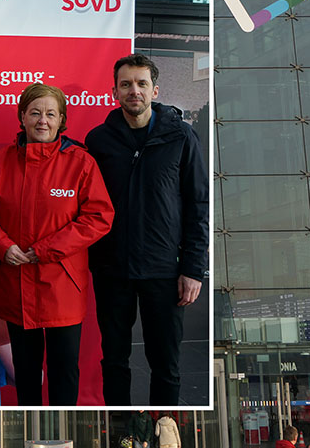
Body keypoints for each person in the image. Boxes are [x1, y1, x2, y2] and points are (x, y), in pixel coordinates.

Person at [0, 83, 113, 405]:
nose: (42, 121)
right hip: (15, 286)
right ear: (22, 116)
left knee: (64, 371)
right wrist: (3, 246)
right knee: (26, 371)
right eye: (35, 113)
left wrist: (46, 249)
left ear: (61, 119)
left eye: (51, 114)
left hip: (62, 287)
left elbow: (99, 216)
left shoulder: (80, 163)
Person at [85, 53, 208, 405]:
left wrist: (192, 268)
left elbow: (198, 205)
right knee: (114, 361)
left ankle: (164, 428)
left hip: (166, 270)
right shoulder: (98, 141)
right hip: (112, 269)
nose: (133, 91)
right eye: (126, 85)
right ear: (114, 92)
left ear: (155, 90)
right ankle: (120, 431)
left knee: (166, 364)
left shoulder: (182, 137)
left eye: (141, 84)